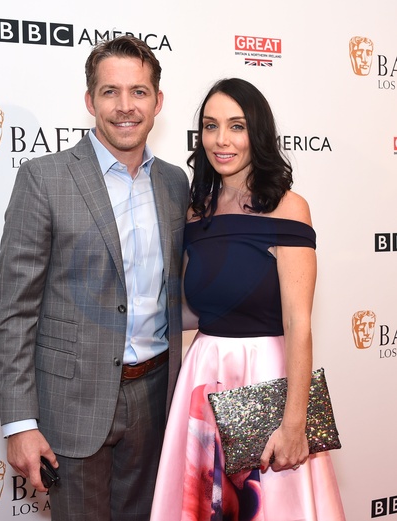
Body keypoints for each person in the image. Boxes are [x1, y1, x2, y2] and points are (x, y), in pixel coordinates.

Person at [0, 35, 189, 521]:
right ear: (89, 100)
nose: (125, 106)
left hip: (156, 398)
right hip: (73, 404)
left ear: (158, 101)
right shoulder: (44, 179)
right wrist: (19, 423)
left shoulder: (174, 182)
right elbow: (15, 311)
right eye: (110, 92)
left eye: (139, 91)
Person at [150, 78, 345, 520]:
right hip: (203, 375)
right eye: (211, 126)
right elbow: (193, 309)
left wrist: (294, 423)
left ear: (257, 133)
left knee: (269, 506)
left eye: (236, 126)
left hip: (267, 376)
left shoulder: (289, 207)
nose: (222, 140)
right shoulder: (196, 211)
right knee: (204, 503)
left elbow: (298, 322)